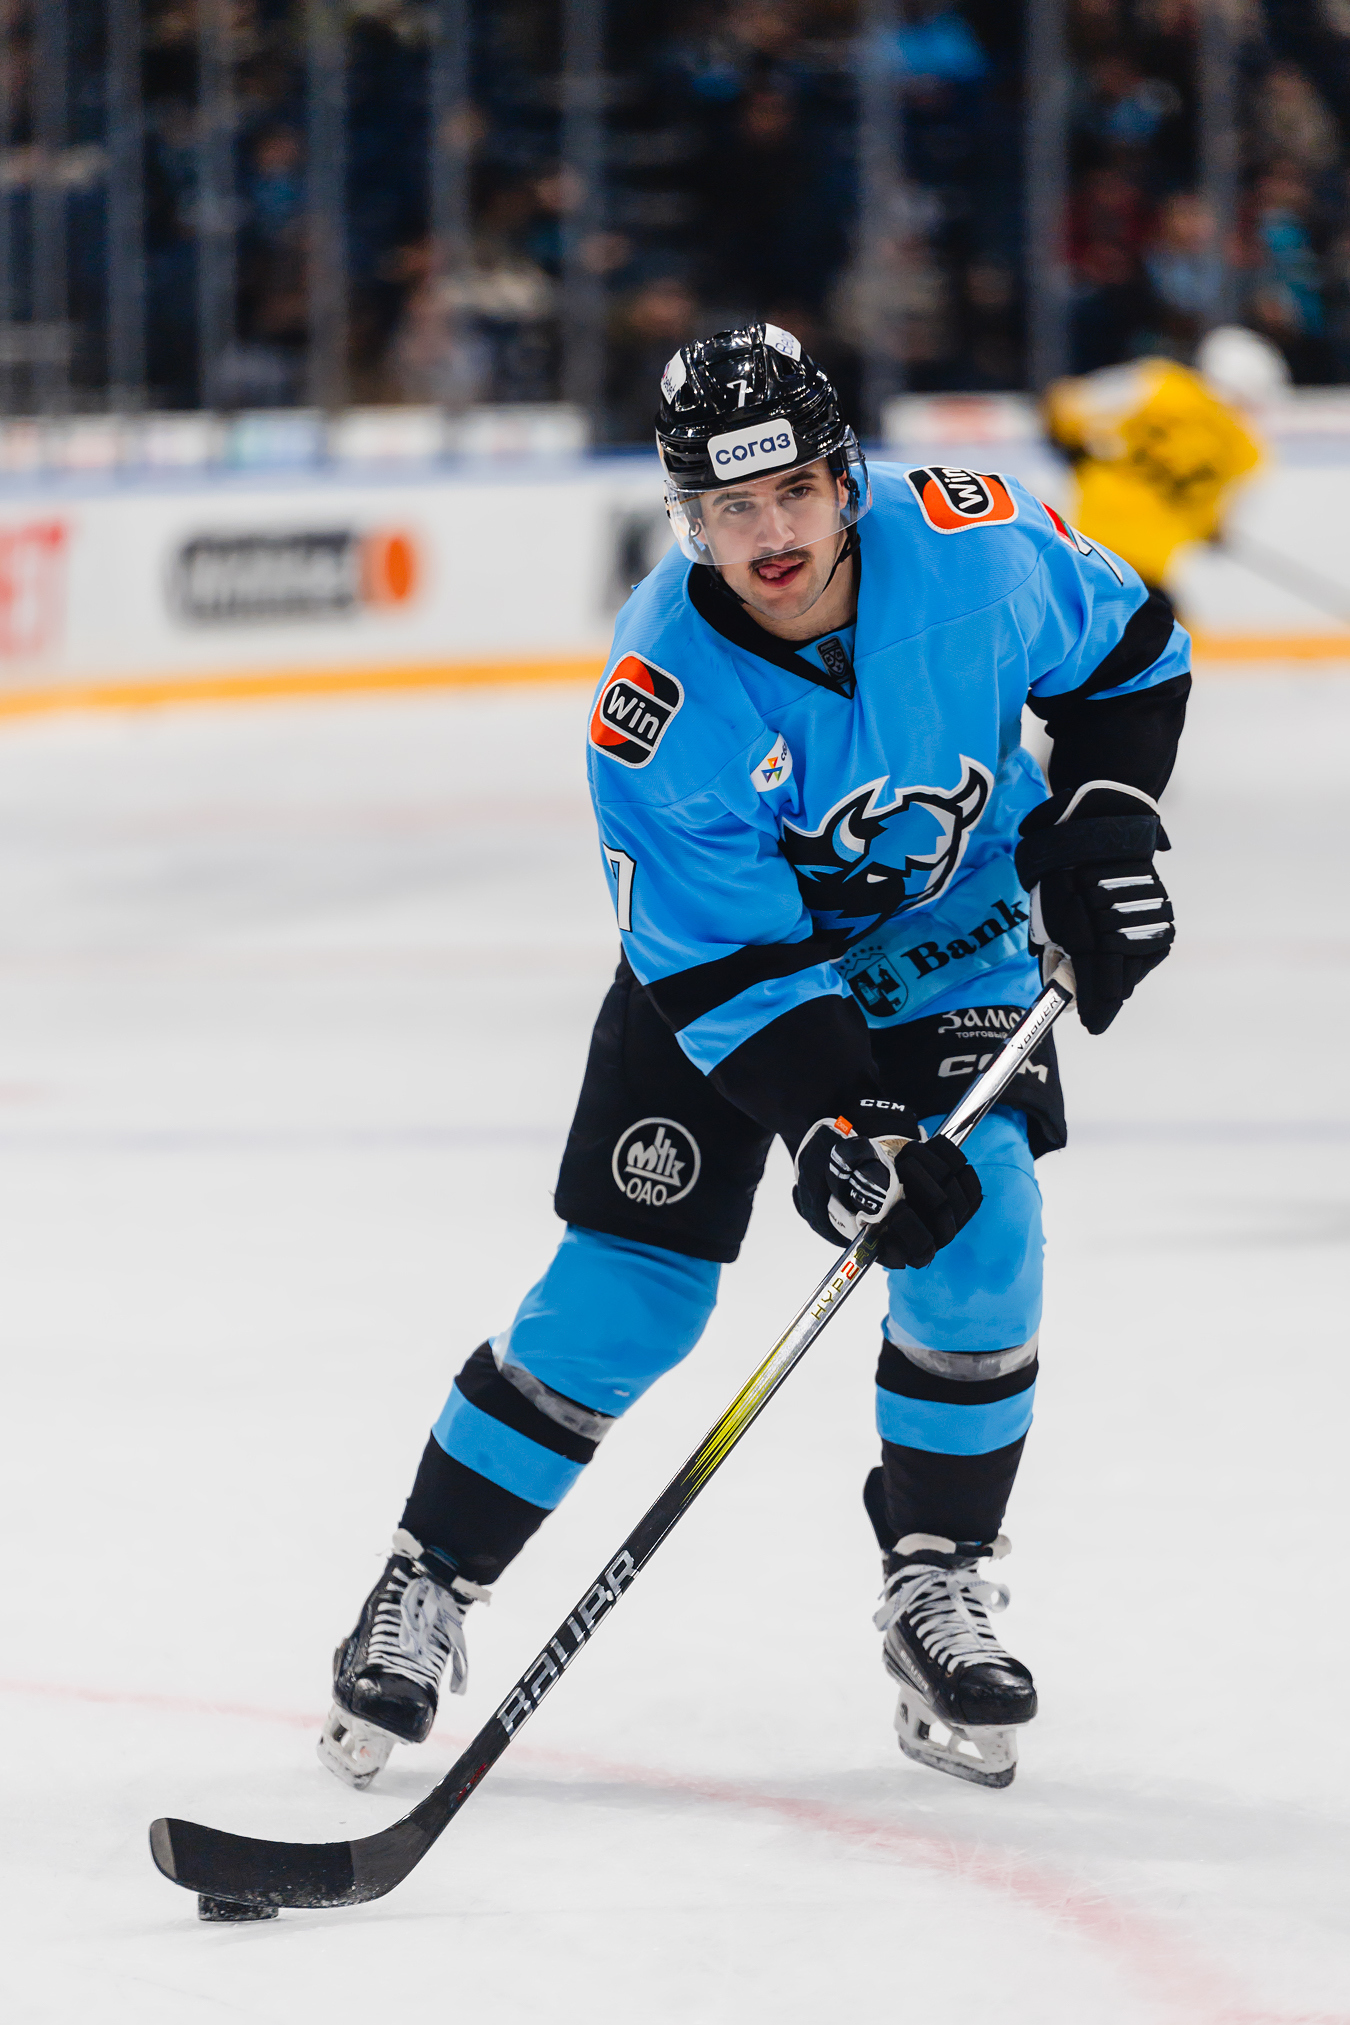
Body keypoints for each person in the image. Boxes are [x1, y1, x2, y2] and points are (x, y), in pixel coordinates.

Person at [319, 324, 1189, 1793]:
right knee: (627, 1298)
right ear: (685, 517)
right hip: (737, 980)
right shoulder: (657, 699)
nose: (770, 536)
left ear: (844, 477)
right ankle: (427, 1578)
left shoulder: (977, 545)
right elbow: (722, 965)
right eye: (729, 508)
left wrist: (1105, 818)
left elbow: (1133, 658)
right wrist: (837, 1122)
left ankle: (936, 1575)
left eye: (790, 491)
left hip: (950, 939)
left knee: (981, 1221)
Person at [1042, 325, 1288, 592]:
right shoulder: (1249, 453)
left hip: (1082, 544)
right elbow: (1213, 523)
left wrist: (1078, 448)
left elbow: (1065, 407)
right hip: (1146, 569)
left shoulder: (1160, 384)